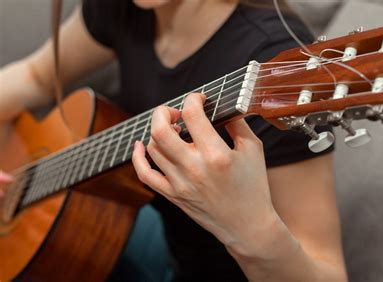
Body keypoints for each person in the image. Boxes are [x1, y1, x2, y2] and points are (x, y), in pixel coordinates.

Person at [0, 0, 347, 281]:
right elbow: (36, 75)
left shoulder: (276, 59)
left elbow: (327, 272)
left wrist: (249, 231)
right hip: (146, 229)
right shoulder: (123, 6)